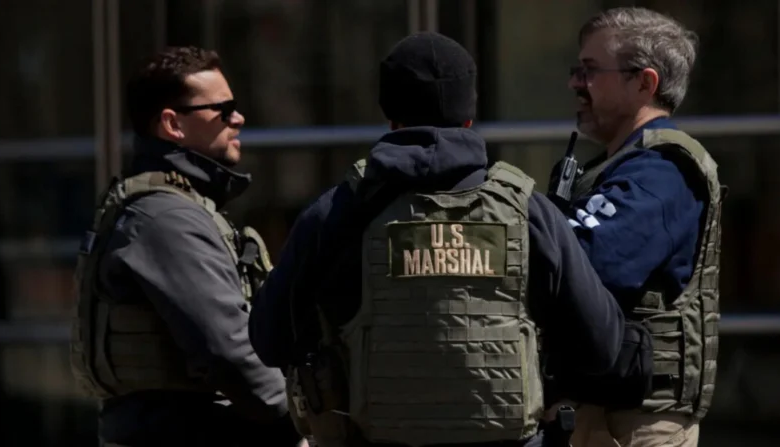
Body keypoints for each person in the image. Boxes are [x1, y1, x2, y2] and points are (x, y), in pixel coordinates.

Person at [248, 31, 627, 447]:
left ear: (391, 117)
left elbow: (270, 341)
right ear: (469, 116)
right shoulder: (530, 212)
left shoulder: (335, 214)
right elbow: (602, 348)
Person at [69, 46, 301, 447]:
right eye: (222, 110)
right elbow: (227, 350)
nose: (238, 118)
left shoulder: (177, 207)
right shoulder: (165, 219)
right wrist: (300, 423)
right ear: (173, 124)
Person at [550, 7, 725, 447]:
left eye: (590, 71)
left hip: (636, 424)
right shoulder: (621, 164)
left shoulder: (663, 171)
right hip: (605, 414)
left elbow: (586, 263)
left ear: (644, 83)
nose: (576, 83)